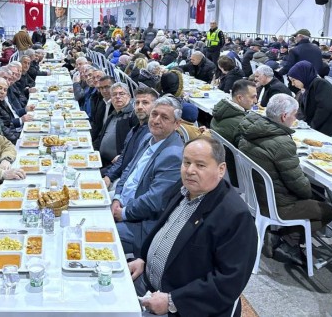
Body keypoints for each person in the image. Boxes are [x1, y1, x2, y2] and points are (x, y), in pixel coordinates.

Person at [128, 137, 257, 317]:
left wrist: (173, 301)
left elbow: (229, 282)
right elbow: (164, 231)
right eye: (186, 162)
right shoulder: (183, 189)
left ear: (221, 169)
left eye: (200, 165)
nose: (189, 170)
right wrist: (143, 259)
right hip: (149, 285)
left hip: (184, 308)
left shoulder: (235, 216)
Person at [238, 94, 332, 265]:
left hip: (256, 196)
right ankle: (287, 240)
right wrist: (310, 193)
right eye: (295, 114)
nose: (295, 118)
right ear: (284, 116)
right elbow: (300, 187)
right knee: (328, 210)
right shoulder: (281, 142)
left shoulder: (250, 130)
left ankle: (277, 236)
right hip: (278, 205)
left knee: (313, 196)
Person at [112, 96, 184, 254]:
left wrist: (123, 213)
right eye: (154, 114)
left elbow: (154, 201)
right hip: (124, 202)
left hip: (141, 223)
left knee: (99, 233)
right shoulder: (148, 137)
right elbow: (129, 169)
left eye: (164, 117)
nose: (156, 120)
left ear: (177, 124)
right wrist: (117, 197)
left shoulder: (174, 156)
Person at [210, 79, 257, 186]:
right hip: (236, 175)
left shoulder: (220, 112)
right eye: (253, 97)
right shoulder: (240, 124)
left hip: (222, 166)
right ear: (240, 98)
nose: (256, 101)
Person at [288, 60, 332, 137]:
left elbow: (324, 108)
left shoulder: (320, 84)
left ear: (302, 76)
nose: (293, 84)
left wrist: (311, 127)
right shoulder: (306, 88)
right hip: (320, 126)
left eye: (293, 80)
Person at [94, 83, 138, 168]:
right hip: (99, 159)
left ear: (129, 96)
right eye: (114, 94)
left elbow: (136, 144)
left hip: (116, 165)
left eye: (121, 94)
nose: (118, 97)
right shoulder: (112, 115)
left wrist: (122, 156)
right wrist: (93, 150)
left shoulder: (133, 115)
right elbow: (100, 137)